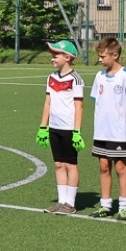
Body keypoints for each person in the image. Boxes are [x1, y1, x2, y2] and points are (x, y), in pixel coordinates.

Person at [86, 36, 126, 219]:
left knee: (120, 167)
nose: (100, 59)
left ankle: (124, 207)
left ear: (115, 55)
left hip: (118, 133)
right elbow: (99, 102)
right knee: (103, 166)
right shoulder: (99, 76)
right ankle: (106, 205)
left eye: (103, 56)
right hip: (101, 131)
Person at [37, 39, 85, 214]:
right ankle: (61, 201)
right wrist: (43, 127)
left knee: (70, 164)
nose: (52, 58)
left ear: (68, 57)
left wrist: (77, 132)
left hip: (69, 129)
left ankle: (70, 204)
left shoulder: (76, 79)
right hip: (54, 128)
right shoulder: (51, 77)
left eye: (56, 55)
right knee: (58, 164)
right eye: (52, 55)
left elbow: (79, 106)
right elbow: (47, 103)